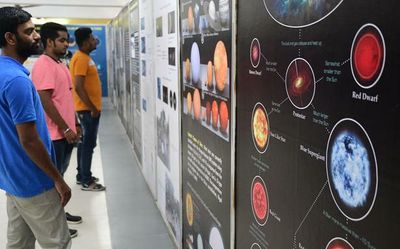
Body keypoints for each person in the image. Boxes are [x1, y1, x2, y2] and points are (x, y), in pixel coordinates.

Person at [0, 7, 71, 248]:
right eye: (29, 32)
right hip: (33, 180)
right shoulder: (17, 81)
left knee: (18, 243)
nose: (37, 36)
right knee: (58, 243)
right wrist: (57, 179)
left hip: (13, 177)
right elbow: (29, 140)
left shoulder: (3, 72)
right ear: (10, 38)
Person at [31, 22, 83, 238]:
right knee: (55, 180)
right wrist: (64, 127)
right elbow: (45, 100)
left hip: (66, 132)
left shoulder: (59, 63)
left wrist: (76, 122)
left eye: (66, 39)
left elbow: (65, 99)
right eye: (61, 40)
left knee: (60, 176)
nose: (66, 43)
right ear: (49, 41)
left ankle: (60, 214)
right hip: (55, 135)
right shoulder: (44, 65)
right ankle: (56, 224)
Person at [70, 27, 106, 191]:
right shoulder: (82, 59)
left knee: (85, 143)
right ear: (85, 42)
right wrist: (92, 108)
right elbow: (78, 86)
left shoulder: (84, 57)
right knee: (88, 144)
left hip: (88, 109)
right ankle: (86, 180)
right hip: (87, 110)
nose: (94, 41)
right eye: (92, 38)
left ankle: (81, 175)